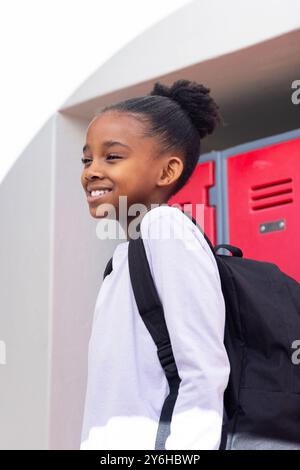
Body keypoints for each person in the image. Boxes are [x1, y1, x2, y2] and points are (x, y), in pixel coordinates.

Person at [79, 79, 230, 450]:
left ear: (167, 172)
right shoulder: (124, 256)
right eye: (87, 159)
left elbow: (203, 374)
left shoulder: (166, 228)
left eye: (111, 157)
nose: (91, 171)